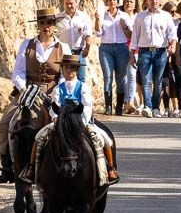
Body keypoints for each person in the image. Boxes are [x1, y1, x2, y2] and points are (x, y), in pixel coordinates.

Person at [21, 55, 118, 186]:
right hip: (61, 123)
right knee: (39, 137)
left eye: (72, 68)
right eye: (66, 67)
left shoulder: (83, 87)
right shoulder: (58, 89)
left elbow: (87, 107)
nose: (69, 71)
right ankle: (32, 168)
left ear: (77, 70)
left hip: (81, 123)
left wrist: (81, 123)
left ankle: (110, 168)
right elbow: (54, 107)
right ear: (62, 69)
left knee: (105, 139)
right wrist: (56, 119)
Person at [0, 7, 66, 183]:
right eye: (42, 23)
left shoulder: (63, 47)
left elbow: (66, 75)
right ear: (38, 25)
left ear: (54, 25)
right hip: (29, 91)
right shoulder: (27, 45)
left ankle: (69, 163)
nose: (46, 27)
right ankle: (6, 166)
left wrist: (57, 92)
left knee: (69, 123)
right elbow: (18, 71)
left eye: (49, 23)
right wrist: (23, 89)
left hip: (53, 91)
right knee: (5, 123)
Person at [133, 0, 178, 118]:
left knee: (158, 82)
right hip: (144, 52)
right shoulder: (140, 17)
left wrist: (173, 44)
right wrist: (132, 54)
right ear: (147, 1)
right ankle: (148, 106)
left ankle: (156, 107)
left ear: (160, 1)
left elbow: (172, 34)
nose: (154, 1)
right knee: (146, 81)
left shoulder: (166, 16)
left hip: (160, 52)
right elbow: (135, 36)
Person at [95, 0, 132, 117]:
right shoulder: (103, 16)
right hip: (106, 48)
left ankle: (119, 107)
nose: (111, 2)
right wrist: (97, 20)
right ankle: (108, 106)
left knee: (121, 78)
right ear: (107, 3)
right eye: (109, 0)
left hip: (122, 47)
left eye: (114, 0)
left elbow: (131, 36)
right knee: (108, 77)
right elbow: (98, 33)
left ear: (117, 2)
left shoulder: (124, 16)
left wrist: (125, 27)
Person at [56, 0, 92, 83]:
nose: (69, 6)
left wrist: (87, 47)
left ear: (76, 3)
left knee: (81, 78)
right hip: (64, 54)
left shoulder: (83, 17)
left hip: (79, 52)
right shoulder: (58, 18)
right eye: (66, 4)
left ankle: (80, 97)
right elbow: (54, 36)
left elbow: (88, 34)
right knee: (64, 79)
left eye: (71, 3)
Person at [121, 0, 141, 114]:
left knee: (132, 75)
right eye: (127, 1)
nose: (129, 3)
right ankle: (125, 102)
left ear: (135, 5)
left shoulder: (138, 17)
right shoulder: (120, 16)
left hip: (136, 48)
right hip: (122, 47)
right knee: (123, 76)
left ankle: (130, 101)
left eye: (131, 2)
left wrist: (127, 30)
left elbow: (136, 34)